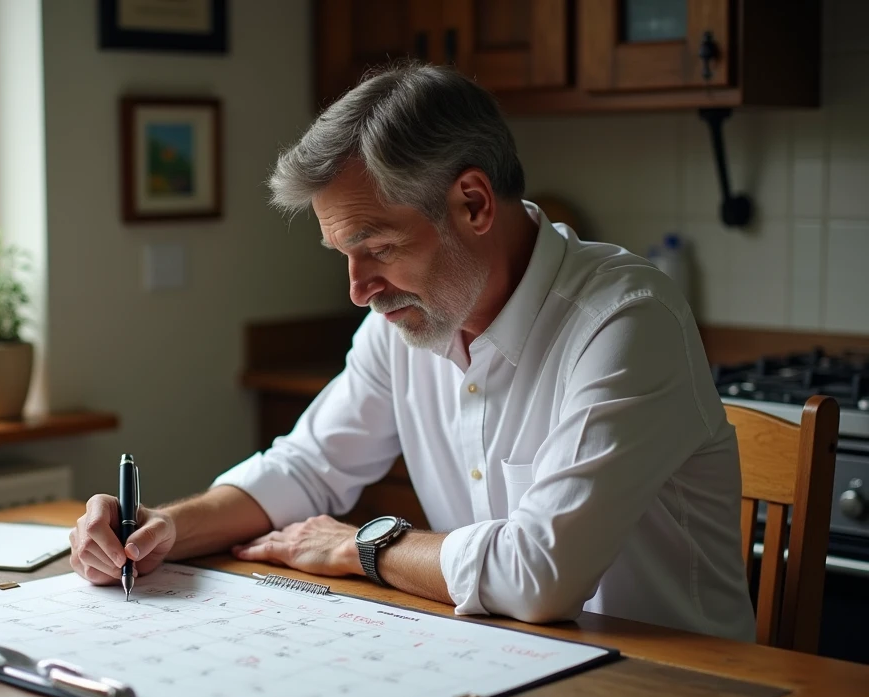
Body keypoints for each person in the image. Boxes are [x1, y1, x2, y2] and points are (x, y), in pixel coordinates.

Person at [71, 63, 755, 640]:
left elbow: (539, 576)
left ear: (474, 204)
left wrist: (361, 545)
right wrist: (159, 529)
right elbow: (307, 470)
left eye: (378, 249)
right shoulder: (408, 323)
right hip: (511, 670)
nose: (358, 287)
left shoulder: (626, 321)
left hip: (681, 693)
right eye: (343, 255)